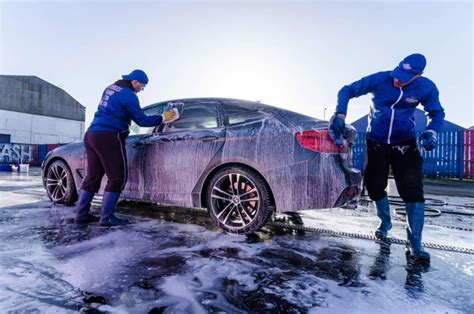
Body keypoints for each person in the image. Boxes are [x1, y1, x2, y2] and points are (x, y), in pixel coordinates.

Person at [329, 53, 445, 263]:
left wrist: (432, 131)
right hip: (376, 142)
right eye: (398, 74)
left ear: (418, 75)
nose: (398, 80)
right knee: (374, 186)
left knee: (412, 189)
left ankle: (415, 242)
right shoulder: (381, 79)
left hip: (405, 143)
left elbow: (436, 113)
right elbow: (347, 90)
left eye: (405, 77)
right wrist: (340, 115)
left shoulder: (426, 87)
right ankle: (385, 223)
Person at [75, 69, 177, 226]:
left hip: (92, 134)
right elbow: (142, 120)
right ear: (135, 82)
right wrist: (163, 117)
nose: (142, 90)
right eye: (142, 86)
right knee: (117, 177)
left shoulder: (111, 88)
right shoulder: (129, 95)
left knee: (92, 177)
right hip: (109, 135)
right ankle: (107, 218)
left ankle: (81, 215)